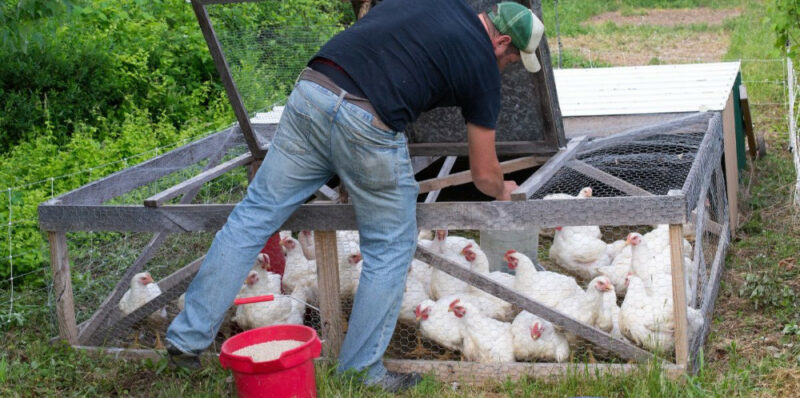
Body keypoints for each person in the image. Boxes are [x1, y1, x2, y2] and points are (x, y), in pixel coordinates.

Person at [166, 0, 544, 392]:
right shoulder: (483, 66)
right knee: (391, 245)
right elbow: (484, 174)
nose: (509, 67)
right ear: (500, 41)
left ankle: (185, 338)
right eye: (514, 59)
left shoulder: (440, 4)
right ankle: (360, 371)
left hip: (313, 90)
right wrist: (503, 189)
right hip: (368, 120)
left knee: (253, 216)